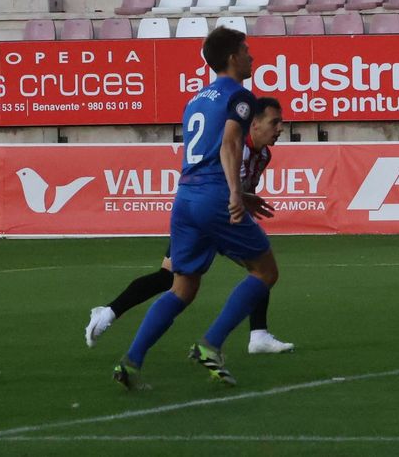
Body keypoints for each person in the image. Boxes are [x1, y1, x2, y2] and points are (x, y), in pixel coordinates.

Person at [113, 28, 280, 390]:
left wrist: (238, 193)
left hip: (185, 197)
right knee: (265, 271)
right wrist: (234, 192)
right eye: (246, 50)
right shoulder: (240, 95)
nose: (251, 56)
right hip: (214, 196)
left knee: (182, 288)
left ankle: (131, 361)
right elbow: (230, 143)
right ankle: (211, 344)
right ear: (232, 58)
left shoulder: (195, 99)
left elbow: (203, 149)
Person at [87, 96, 293, 355]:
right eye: (274, 122)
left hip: (224, 218)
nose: (280, 128)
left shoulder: (263, 155)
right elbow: (211, 183)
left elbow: (241, 188)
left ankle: (258, 335)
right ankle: (108, 313)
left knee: (259, 268)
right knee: (172, 277)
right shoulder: (231, 146)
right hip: (203, 216)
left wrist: (242, 201)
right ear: (254, 123)